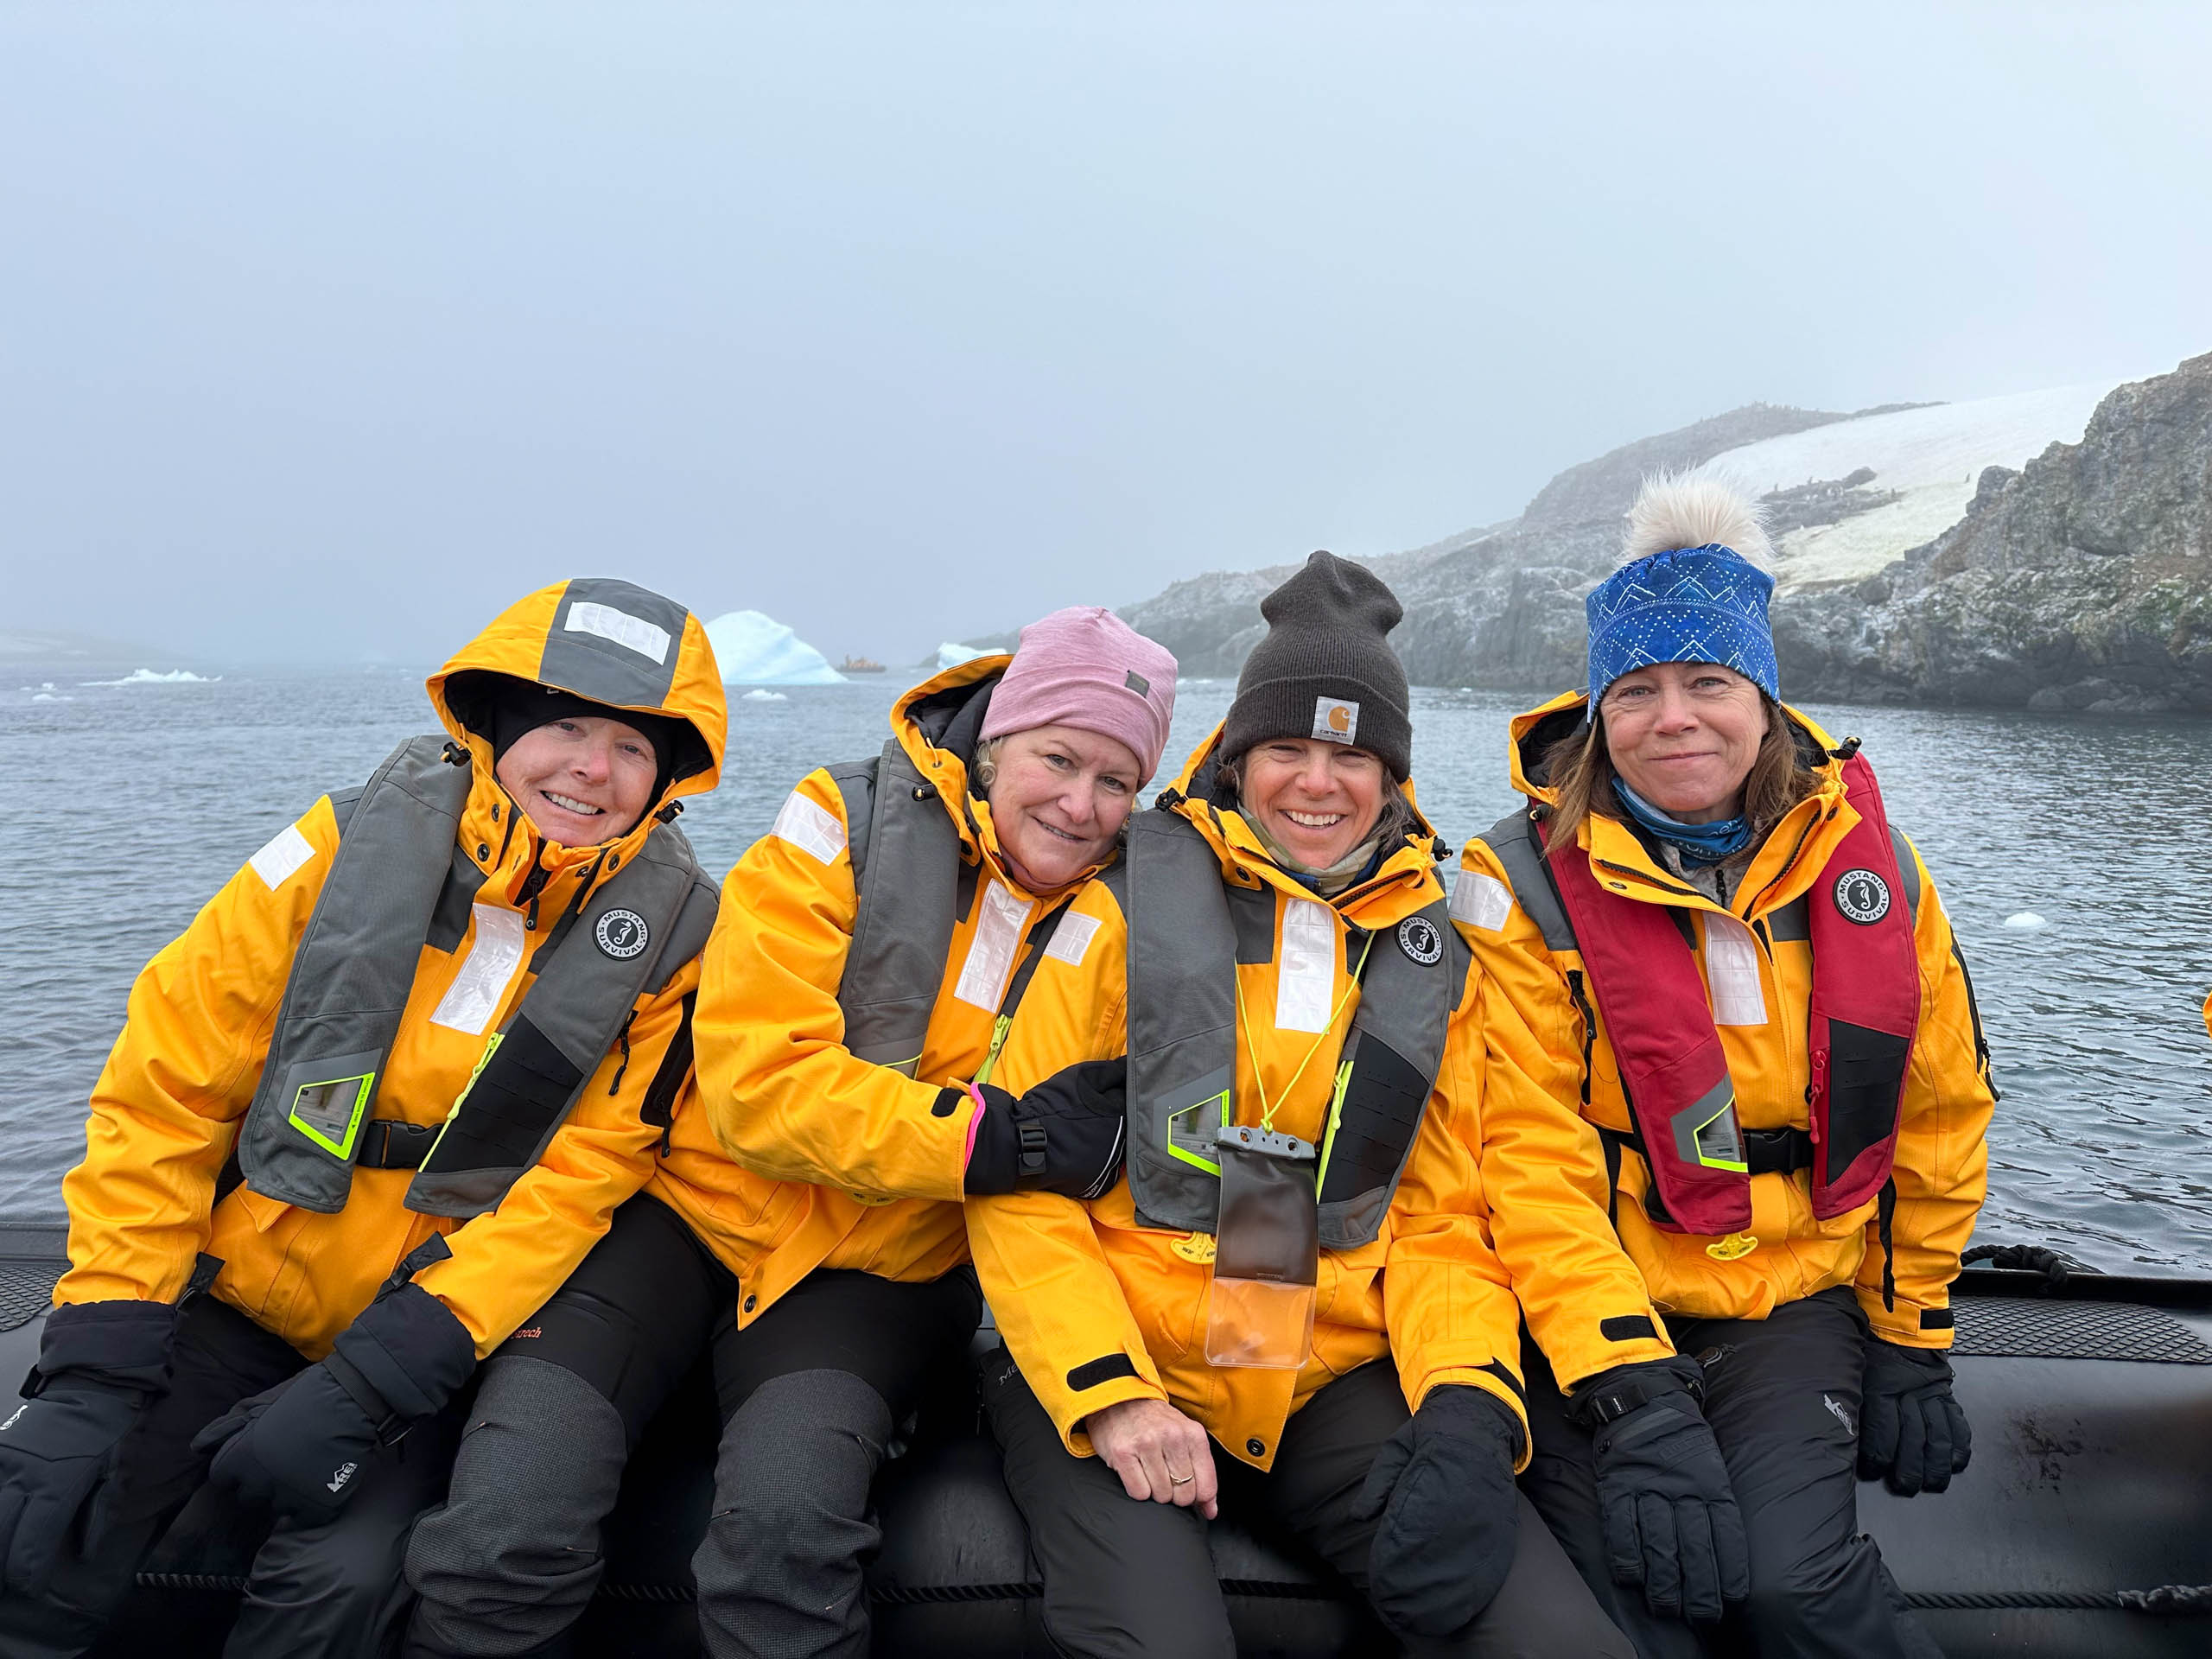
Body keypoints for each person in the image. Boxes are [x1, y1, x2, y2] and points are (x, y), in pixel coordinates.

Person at [966, 552, 1738, 1658]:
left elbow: (1442, 1215)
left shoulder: (1435, 954)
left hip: (1322, 1370)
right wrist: (1108, 1392)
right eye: (1286, 748)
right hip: (1119, 1357)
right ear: (1240, 758)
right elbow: (1017, 1187)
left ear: (1392, 776)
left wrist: (1471, 1400)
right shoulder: (1117, 913)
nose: (1316, 783)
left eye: (1351, 754)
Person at [404, 606, 1178, 1658]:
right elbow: (759, 1088)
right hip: (687, 1221)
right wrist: (984, 1139)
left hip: (884, 1270)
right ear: (997, 742)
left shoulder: (1127, 924)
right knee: (510, 1505)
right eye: (1057, 758)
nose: (1081, 805)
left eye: (1116, 782)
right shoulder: (836, 826)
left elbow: (1056, 1156)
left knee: (784, 1535)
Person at [0, 578, 726, 1659]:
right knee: (45, 1522)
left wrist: (388, 1372)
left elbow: (587, 1177)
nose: (591, 767)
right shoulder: (337, 850)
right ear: (496, 725)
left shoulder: (672, 942)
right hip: (233, 1288)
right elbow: (170, 1088)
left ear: (666, 774)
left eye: (631, 747)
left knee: (344, 1583)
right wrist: (101, 1352)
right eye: (566, 726)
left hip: (422, 1330)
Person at [1459, 476, 1998, 1657]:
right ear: (1600, 714)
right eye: (1639, 691)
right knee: (1636, 1600)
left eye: (1708, 682)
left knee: (1790, 1591)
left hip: (1785, 1297)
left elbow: (1940, 1113)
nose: (1676, 718)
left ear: (1762, 697)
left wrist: (1911, 1335)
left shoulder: (1879, 877)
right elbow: (1527, 1156)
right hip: (1588, 1304)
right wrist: (1632, 1394)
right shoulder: (1517, 886)